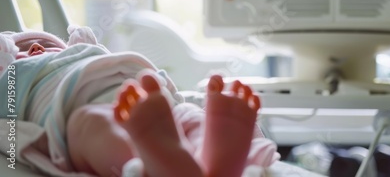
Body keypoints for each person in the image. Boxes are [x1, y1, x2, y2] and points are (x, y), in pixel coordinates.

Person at [0, 26, 279, 177]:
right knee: (89, 125)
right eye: (21, 50)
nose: (36, 48)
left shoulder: (86, 54)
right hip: (83, 107)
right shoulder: (10, 84)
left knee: (187, 116)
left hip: (140, 95)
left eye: (46, 43)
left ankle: (203, 150)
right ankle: (166, 154)